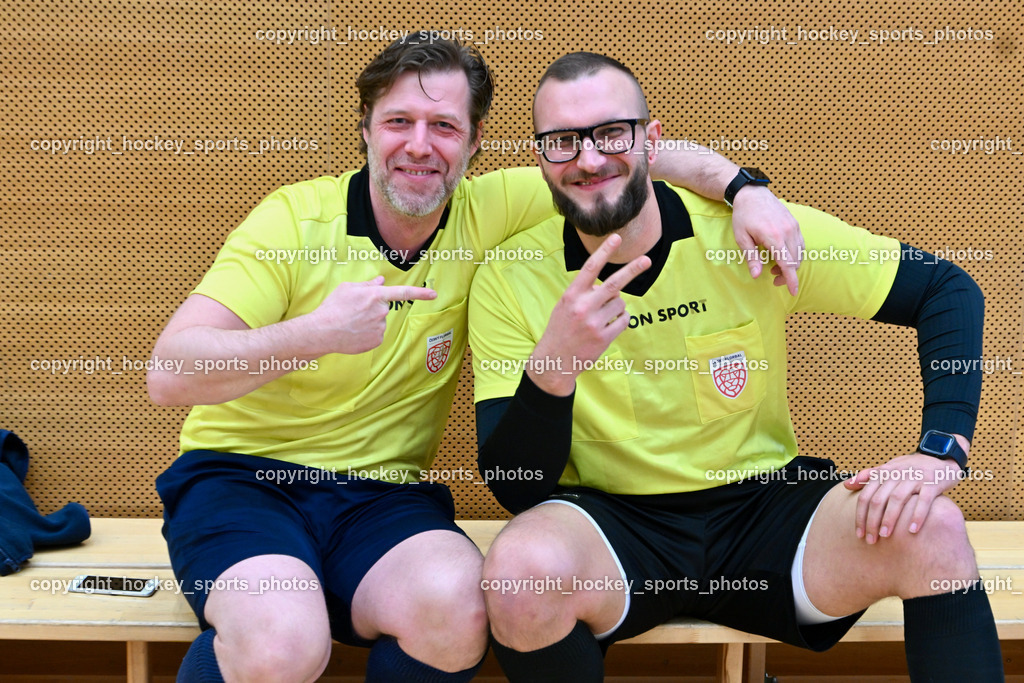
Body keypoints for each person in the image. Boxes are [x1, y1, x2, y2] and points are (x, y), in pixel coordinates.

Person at [146, 37, 803, 682]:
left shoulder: (489, 206)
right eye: (399, 121)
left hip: (383, 496)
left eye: (444, 126)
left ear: (474, 140)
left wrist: (747, 189)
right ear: (367, 131)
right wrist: (314, 334)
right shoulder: (292, 222)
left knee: (458, 611)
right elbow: (171, 372)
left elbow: (628, 152)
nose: (420, 144)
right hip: (245, 482)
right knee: (281, 645)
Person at [468, 51, 1003, 682]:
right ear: (541, 158)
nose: (588, 159)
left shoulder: (746, 233)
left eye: (612, 133)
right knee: (517, 575)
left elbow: (947, 290)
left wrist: (940, 450)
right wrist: (555, 366)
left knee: (933, 528)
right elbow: (517, 488)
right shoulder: (509, 277)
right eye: (563, 141)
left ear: (651, 140)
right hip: (615, 528)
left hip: (763, 512)